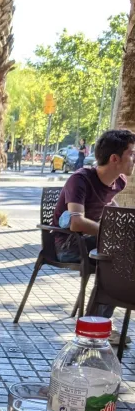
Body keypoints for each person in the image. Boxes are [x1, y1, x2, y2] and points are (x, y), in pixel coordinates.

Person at [52, 129, 135, 339]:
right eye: (131, 154)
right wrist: (111, 233)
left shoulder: (119, 182)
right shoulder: (80, 179)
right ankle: (94, 328)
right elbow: (76, 222)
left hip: (92, 242)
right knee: (116, 261)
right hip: (68, 245)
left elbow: (109, 206)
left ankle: (99, 323)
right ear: (115, 158)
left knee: (123, 256)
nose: (134, 159)